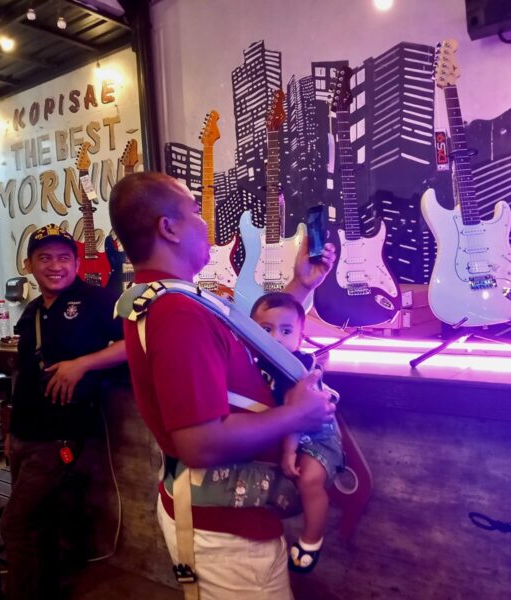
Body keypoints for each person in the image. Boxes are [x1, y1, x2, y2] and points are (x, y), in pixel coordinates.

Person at [109, 171, 337, 599]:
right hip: (225, 533)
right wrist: (297, 414)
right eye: (195, 211)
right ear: (168, 228)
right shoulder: (179, 313)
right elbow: (199, 442)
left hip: (216, 519)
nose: (205, 224)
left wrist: (301, 287)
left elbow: (250, 344)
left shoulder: (170, 297)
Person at [0, 224, 127, 600]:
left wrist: (82, 364)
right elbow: (22, 371)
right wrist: (10, 429)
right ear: (29, 264)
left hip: (59, 435)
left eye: (63, 258)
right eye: (45, 258)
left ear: (75, 262)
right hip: (25, 432)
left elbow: (134, 343)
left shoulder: (98, 299)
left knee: (16, 524)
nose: (55, 266)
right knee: (42, 522)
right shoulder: (34, 310)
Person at [250, 292, 343, 574]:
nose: (276, 338)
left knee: (310, 481)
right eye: (266, 330)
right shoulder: (257, 361)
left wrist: (289, 452)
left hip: (315, 435)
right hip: (286, 429)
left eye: (286, 331)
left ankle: (312, 540)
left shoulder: (294, 366)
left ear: (300, 338)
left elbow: (296, 413)